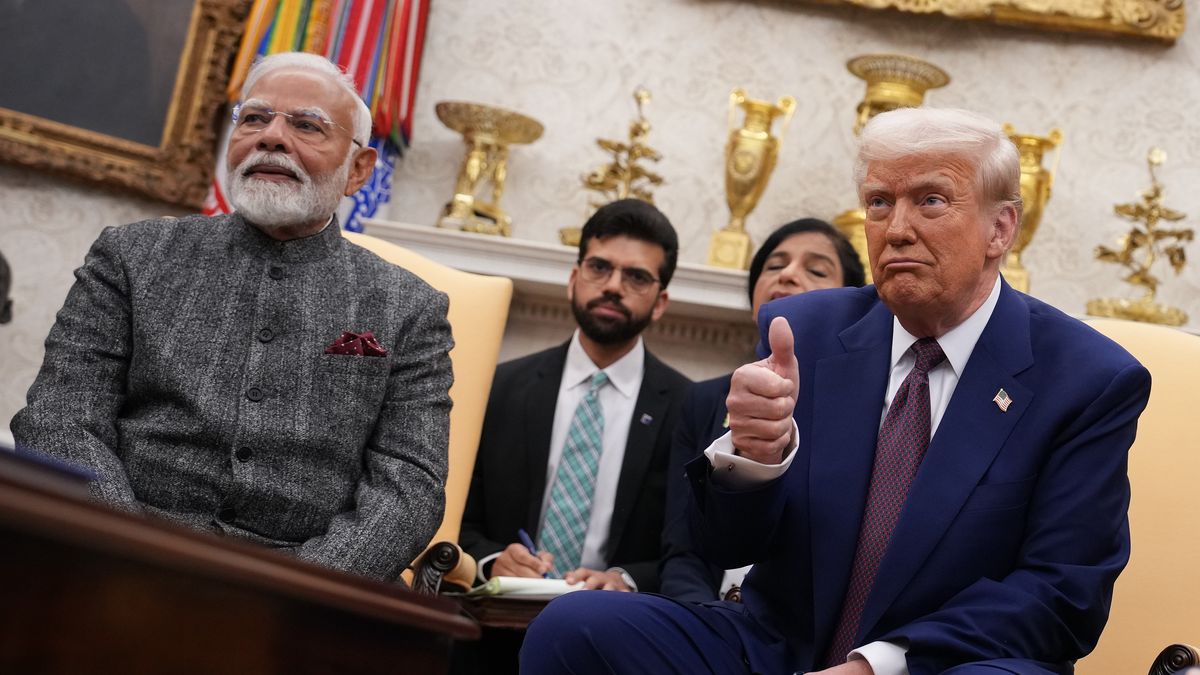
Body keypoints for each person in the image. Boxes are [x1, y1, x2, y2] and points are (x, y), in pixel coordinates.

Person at [520, 107, 1152, 675]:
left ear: (1000, 229)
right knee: (576, 629)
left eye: (931, 201)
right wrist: (754, 460)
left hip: (944, 663)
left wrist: (877, 666)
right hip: (775, 650)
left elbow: (1063, 595)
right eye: (879, 202)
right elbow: (726, 548)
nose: (896, 228)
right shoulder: (812, 332)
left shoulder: (1086, 379)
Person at [10, 52, 453, 582]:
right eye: (255, 119)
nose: (271, 137)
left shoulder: (410, 308)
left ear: (358, 169)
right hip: (115, 562)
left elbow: (408, 486)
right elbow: (61, 420)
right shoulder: (131, 257)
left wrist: (295, 589)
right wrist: (131, 553)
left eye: (307, 125)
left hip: (304, 598)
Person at [460, 198, 691, 594]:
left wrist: (627, 579)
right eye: (600, 268)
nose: (614, 287)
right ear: (573, 279)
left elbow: (692, 547)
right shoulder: (499, 387)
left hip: (616, 634)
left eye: (636, 277)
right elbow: (454, 514)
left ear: (660, 303)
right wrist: (491, 560)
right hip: (491, 619)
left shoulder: (688, 407)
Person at [661, 218, 865, 604]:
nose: (787, 275)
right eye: (774, 265)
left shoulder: (866, 408)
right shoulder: (704, 401)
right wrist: (703, 623)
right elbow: (683, 551)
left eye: (815, 270)